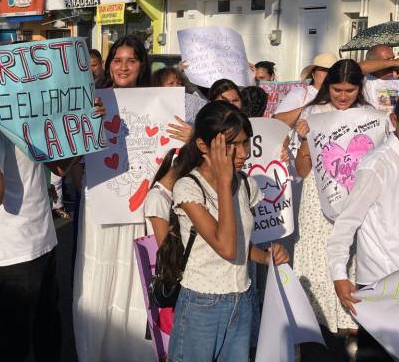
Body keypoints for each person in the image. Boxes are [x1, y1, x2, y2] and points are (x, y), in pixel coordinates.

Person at [166, 101, 289, 361]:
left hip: (241, 301)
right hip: (201, 304)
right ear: (203, 146)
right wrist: (223, 182)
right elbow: (226, 246)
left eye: (245, 143)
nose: (242, 153)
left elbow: (241, 246)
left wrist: (267, 257)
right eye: (231, 146)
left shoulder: (246, 185)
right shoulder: (188, 188)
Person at [74, 35, 156, 362]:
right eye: (117, 60)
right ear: (108, 65)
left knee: (136, 277)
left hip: (142, 205)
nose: (123, 67)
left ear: (141, 65)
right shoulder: (91, 99)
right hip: (101, 199)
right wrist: (86, 121)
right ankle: (95, 352)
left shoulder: (157, 103)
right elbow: (74, 153)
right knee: (98, 277)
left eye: (131, 60)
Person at [293, 59, 367, 360]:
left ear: (359, 89)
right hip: (316, 205)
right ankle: (318, 337)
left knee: (347, 266)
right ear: (328, 86)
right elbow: (301, 170)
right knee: (317, 267)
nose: (343, 96)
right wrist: (305, 144)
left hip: (353, 202)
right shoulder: (313, 113)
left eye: (350, 90)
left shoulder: (369, 117)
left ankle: (347, 339)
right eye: (337, 89)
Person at [327, 100, 399, 362]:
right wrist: (339, 274)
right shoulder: (377, 164)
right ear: (394, 120)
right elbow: (347, 222)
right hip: (381, 284)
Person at [273, 53, 338, 126]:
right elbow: (277, 122)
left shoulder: (341, 96)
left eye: (332, 70)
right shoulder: (300, 93)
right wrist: (307, 108)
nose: (328, 73)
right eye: (324, 69)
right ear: (313, 73)